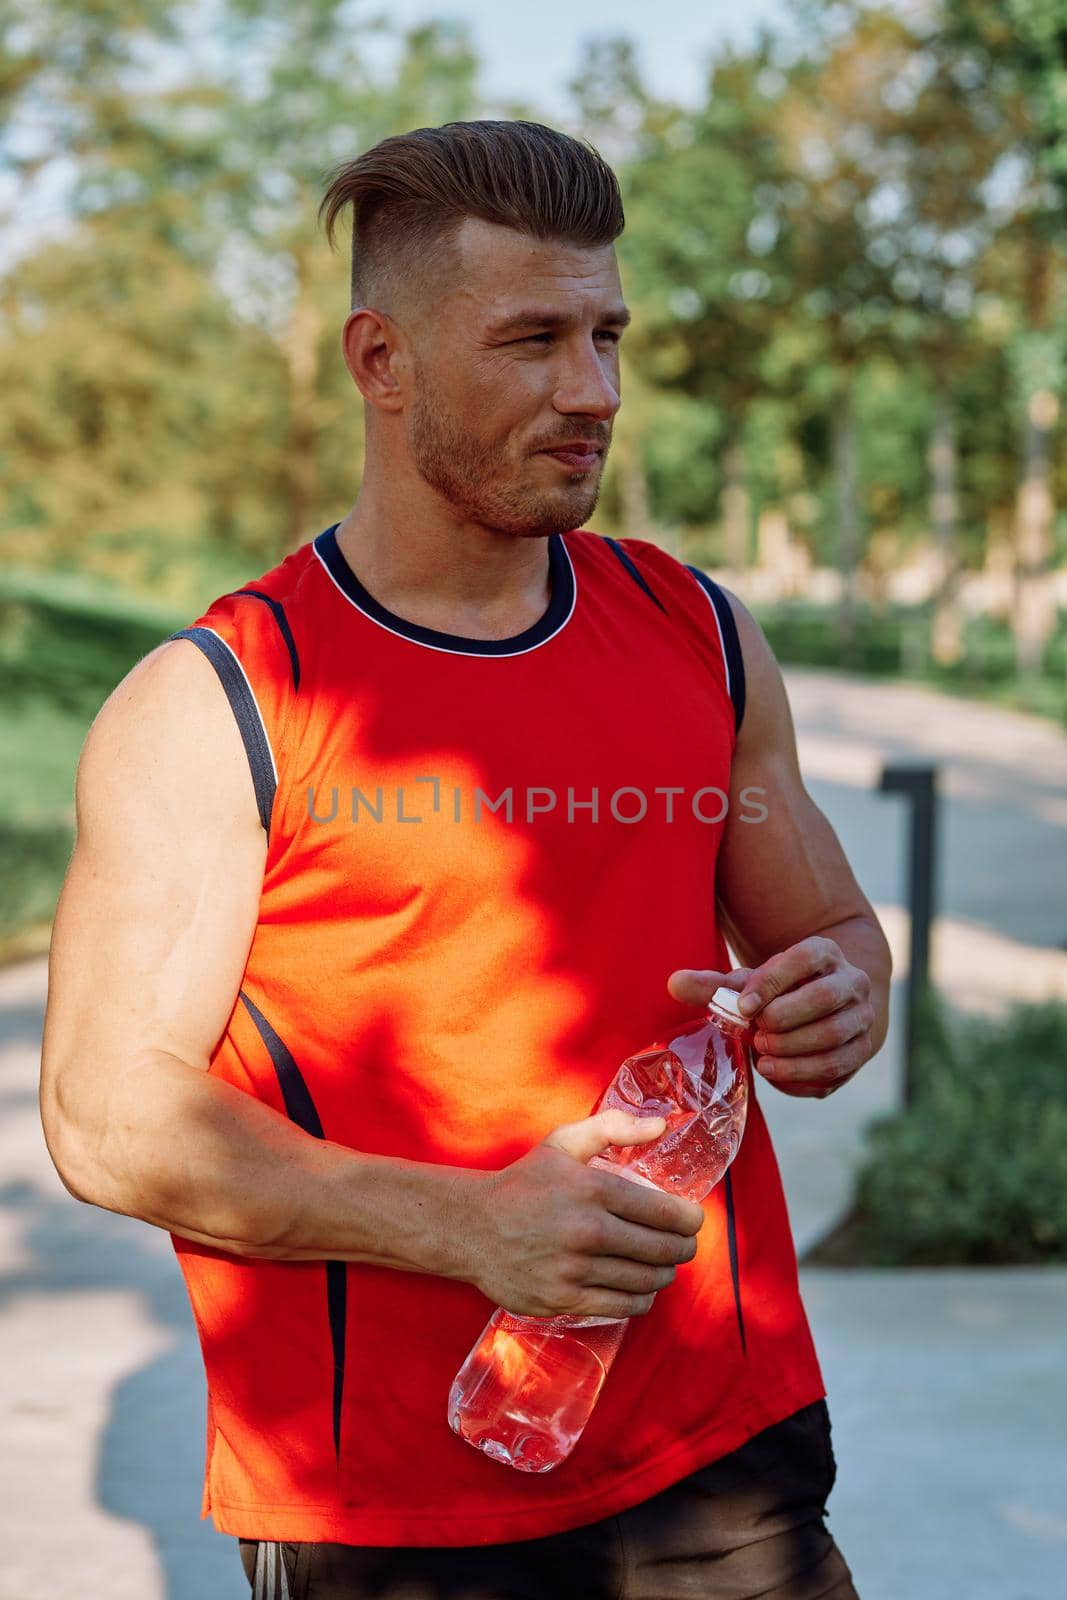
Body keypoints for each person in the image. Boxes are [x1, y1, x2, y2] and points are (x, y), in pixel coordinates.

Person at [40, 119, 890, 1599]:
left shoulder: (700, 633)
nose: (596, 390)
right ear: (382, 361)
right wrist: (471, 1229)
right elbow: (106, 1115)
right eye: (534, 339)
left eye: (611, 334)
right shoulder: (228, 698)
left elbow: (828, 931)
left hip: (723, 1449)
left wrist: (842, 991)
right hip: (400, 1516)